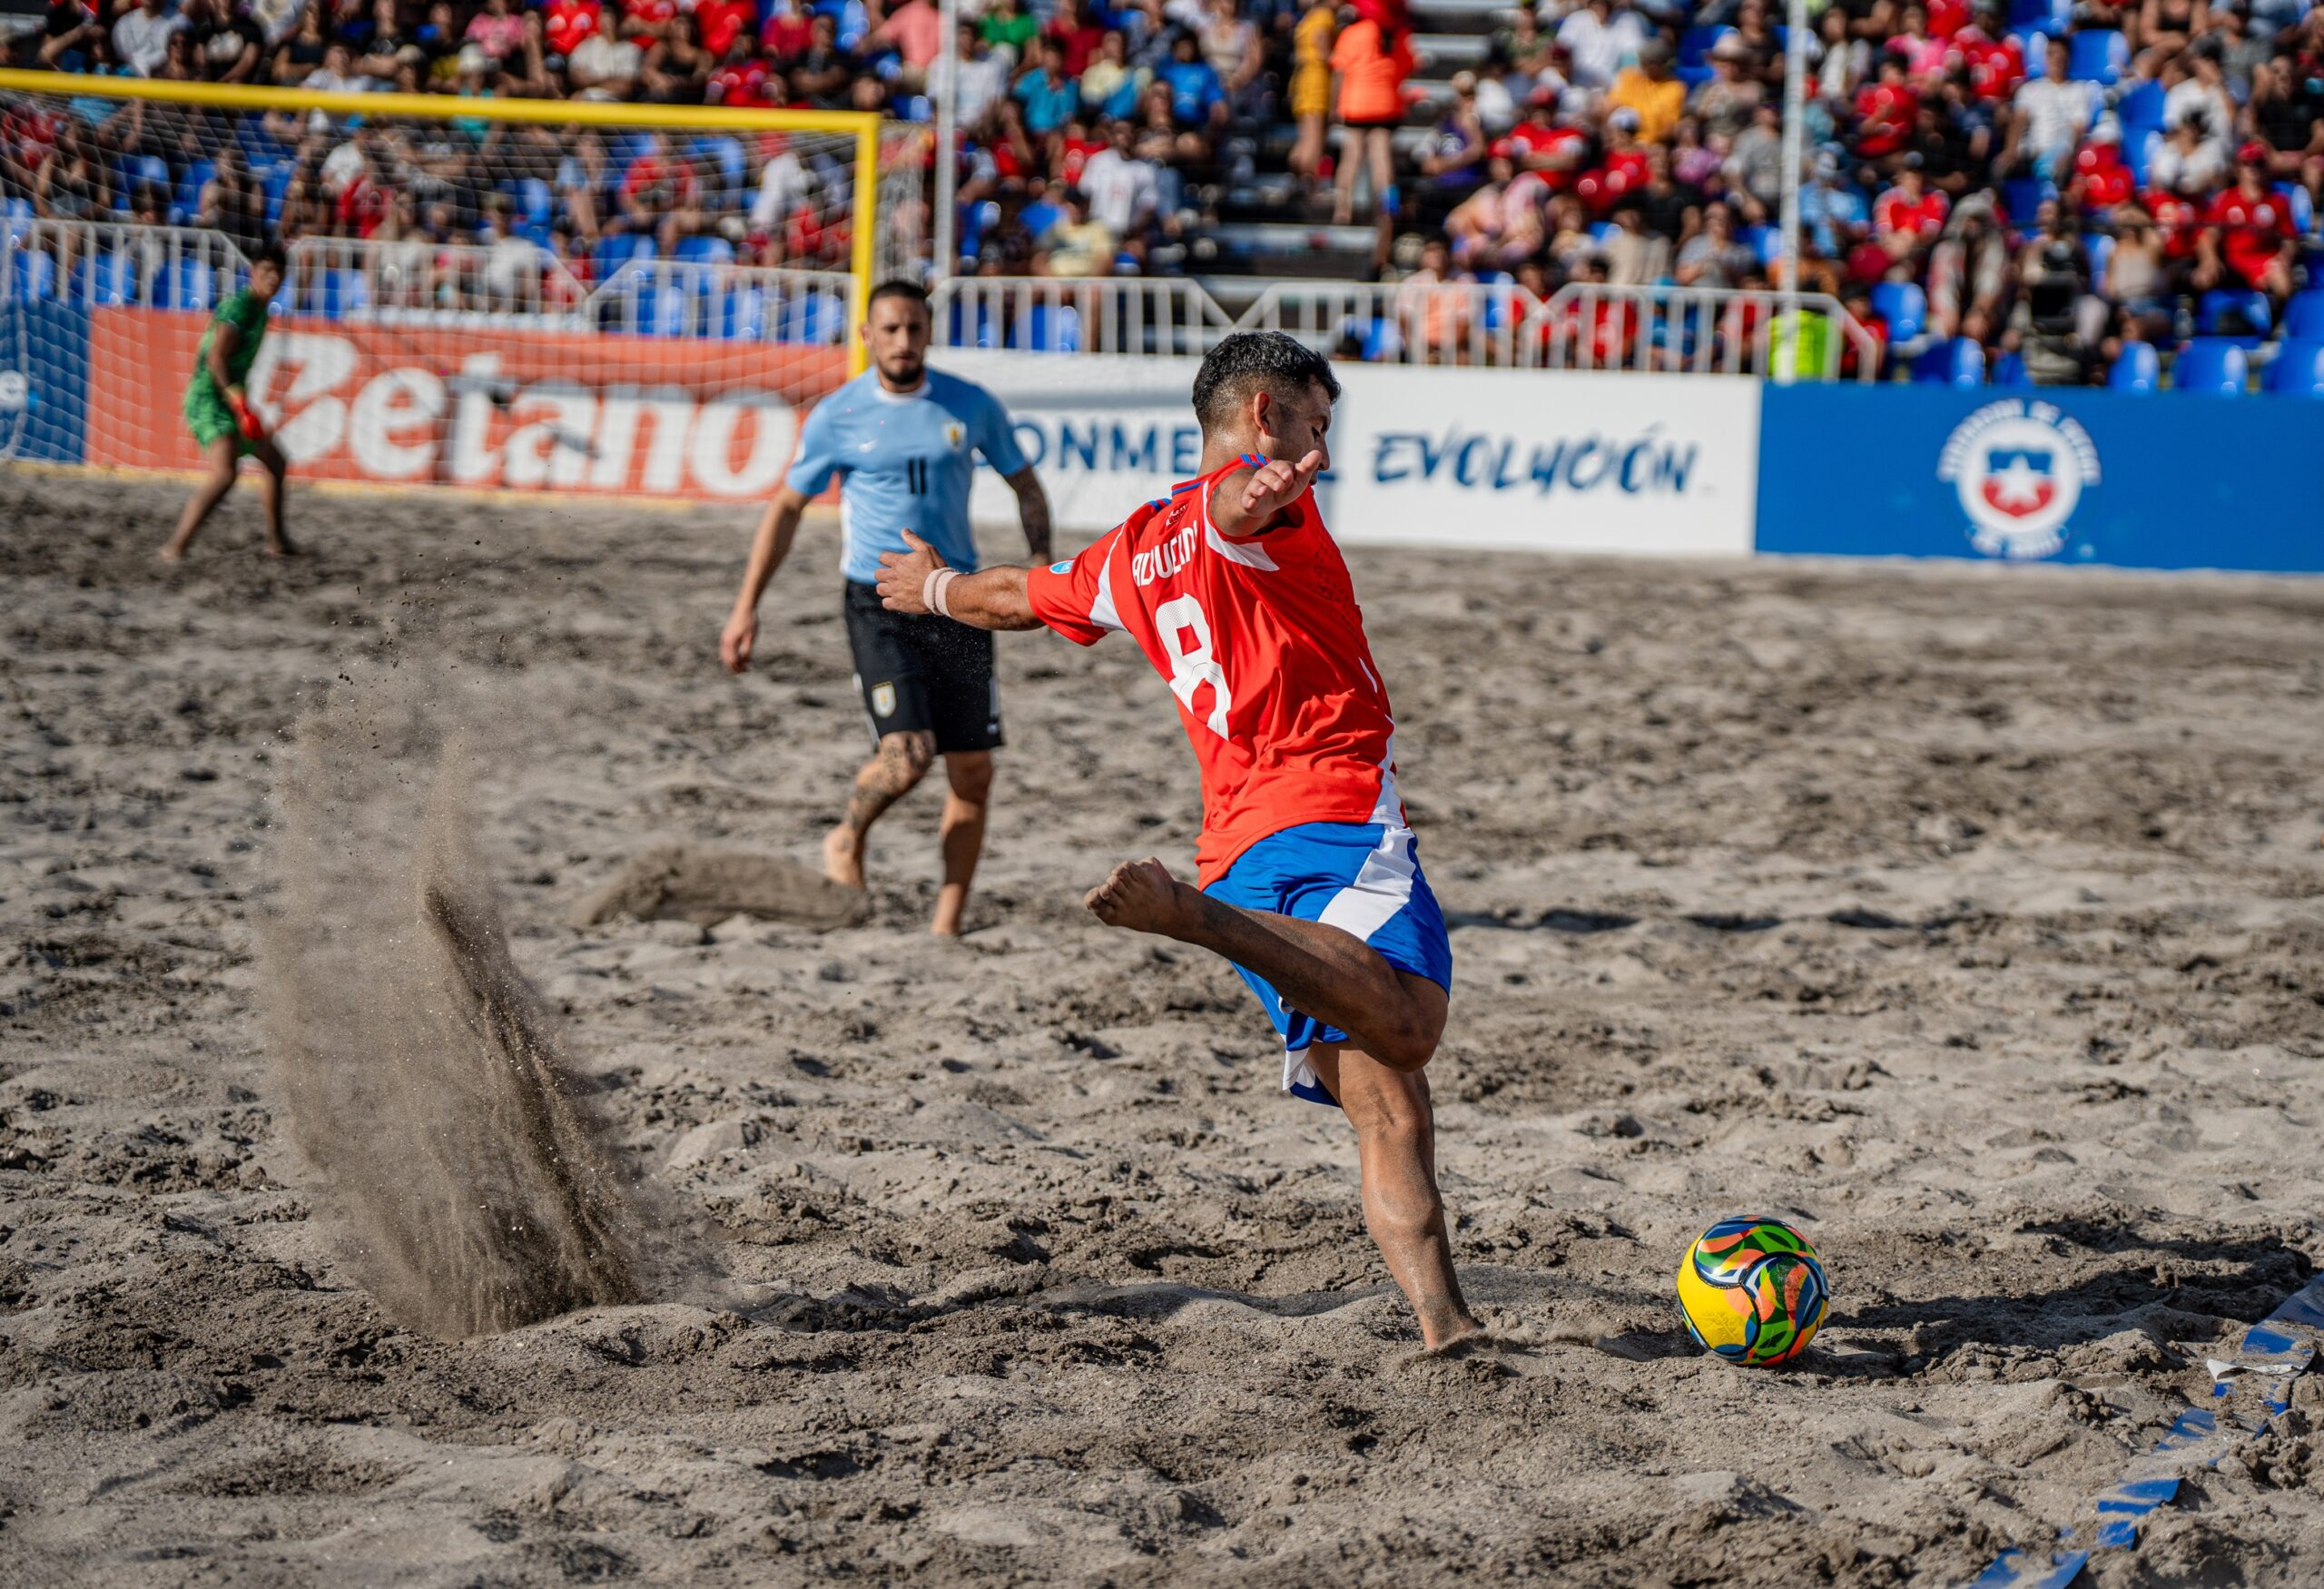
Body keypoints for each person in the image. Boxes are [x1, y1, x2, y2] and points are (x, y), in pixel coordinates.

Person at [872, 332, 1482, 1353]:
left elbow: (1016, 597)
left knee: (1386, 1099)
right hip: (1330, 820)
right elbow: (1238, 508)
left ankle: (1446, 1327)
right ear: (1260, 416)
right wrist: (1264, 489)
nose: (1319, 446)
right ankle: (1196, 923)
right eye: (1312, 422)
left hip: (1238, 846)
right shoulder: (1248, 507)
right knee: (1409, 1031)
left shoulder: (1128, 549)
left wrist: (933, 587)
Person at [720, 282, 1054, 938]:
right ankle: (846, 836)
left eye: (915, 328)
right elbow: (787, 508)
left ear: (929, 331)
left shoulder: (970, 404)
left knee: (974, 773)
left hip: (957, 597)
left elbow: (1025, 482)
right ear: (867, 336)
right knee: (908, 754)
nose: (904, 341)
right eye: (891, 330)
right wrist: (746, 607)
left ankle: (946, 927)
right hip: (877, 602)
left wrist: (1041, 555)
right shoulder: (837, 415)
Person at [162, 243, 294, 561]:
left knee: (275, 462)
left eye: (278, 272)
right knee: (225, 474)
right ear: (253, 273)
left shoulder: (261, 310)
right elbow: (216, 359)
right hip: (210, 398)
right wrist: (239, 403)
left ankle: (277, 543)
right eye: (266, 271)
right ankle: (175, 547)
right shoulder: (238, 307)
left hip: (232, 398)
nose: (273, 278)